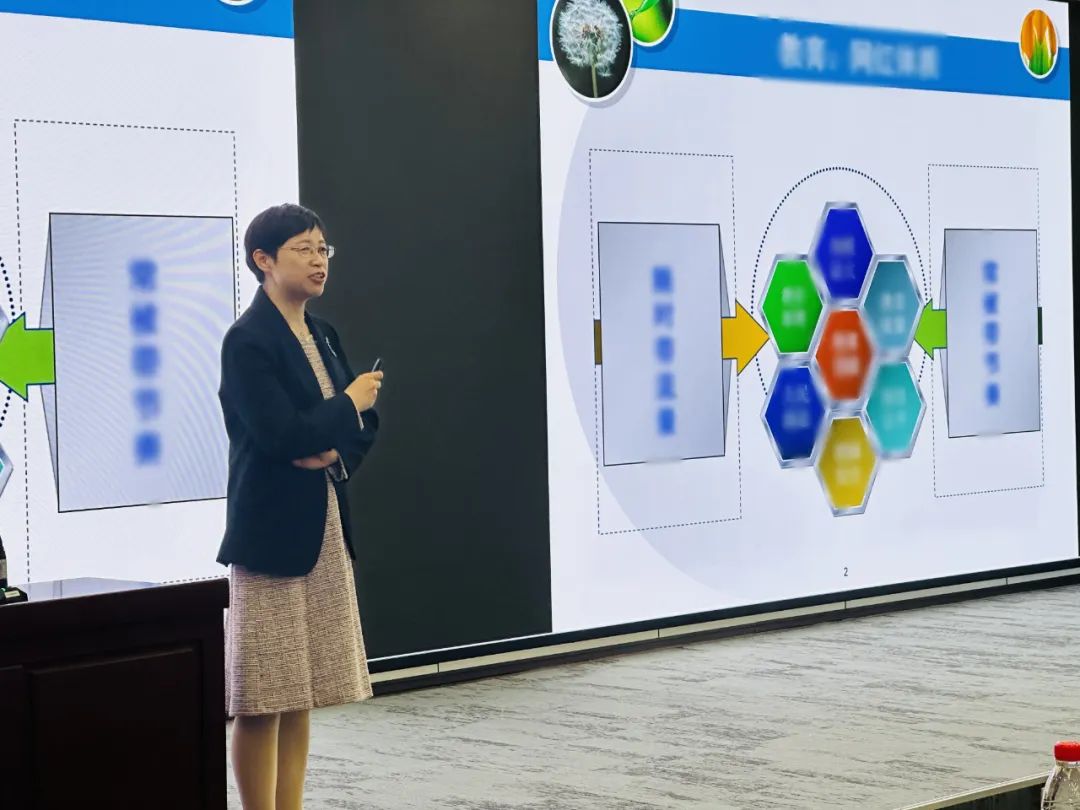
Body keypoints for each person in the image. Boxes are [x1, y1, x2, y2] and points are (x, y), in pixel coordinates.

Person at [216, 203, 383, 810]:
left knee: (301, 688)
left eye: (323, 249)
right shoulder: (248, 341)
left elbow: (366, 426)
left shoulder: (324, 333)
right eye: (304, 249)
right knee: (263, 696)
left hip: (325, 522)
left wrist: (335, 447)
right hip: (271, 533)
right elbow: (280, 434)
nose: (319, 261)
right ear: (263, 260)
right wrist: (347, 405)